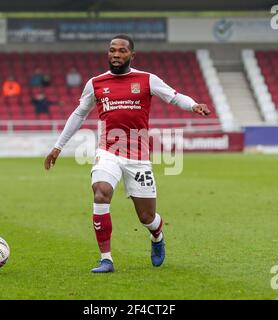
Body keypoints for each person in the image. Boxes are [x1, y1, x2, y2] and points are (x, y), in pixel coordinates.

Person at [44, 34, 211, 273]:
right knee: (101, 192)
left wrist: (193, 104)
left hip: (138, 156)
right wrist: (58, 146)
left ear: (132, 55)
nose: (116, 54)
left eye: (122, 51)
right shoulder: (96, 83)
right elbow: (79, 114)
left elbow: (174, 97)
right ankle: (106, 259)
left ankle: (157, 236)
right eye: (112, 50)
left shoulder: (147, 79)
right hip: (108, 151)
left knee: (146, 217)